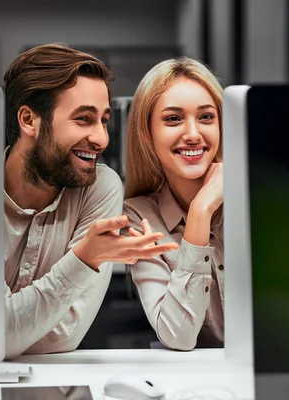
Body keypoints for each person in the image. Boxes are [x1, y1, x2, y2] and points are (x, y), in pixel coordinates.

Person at [3, 44, 178, 358]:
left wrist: (12, 326)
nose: (101, 139)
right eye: (84, 119)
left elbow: (62, 338)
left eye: (104, 121)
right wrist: (82, 260)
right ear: (29, 120)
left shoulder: (100, 187)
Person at [122, 57, 224, 351]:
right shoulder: (138, 217)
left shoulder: (256, 197)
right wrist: (201, 211)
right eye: (173, 119)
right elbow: (177, 336)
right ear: (147, 134)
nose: (193, 134)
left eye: (206, 117)